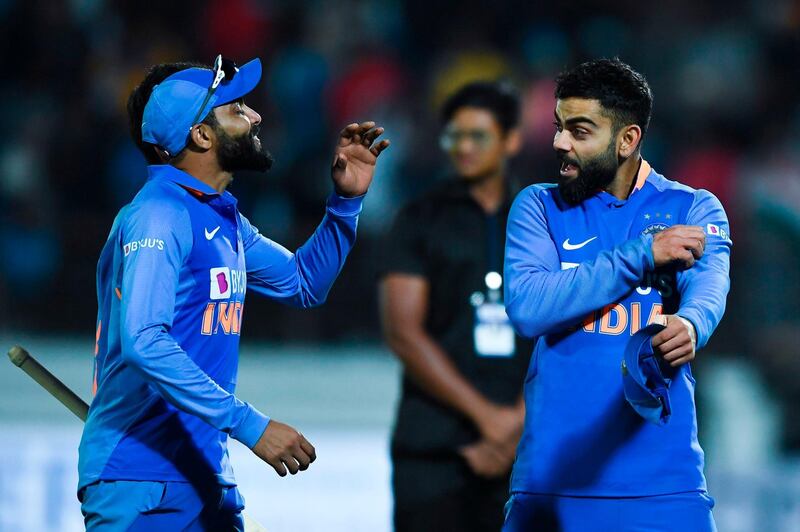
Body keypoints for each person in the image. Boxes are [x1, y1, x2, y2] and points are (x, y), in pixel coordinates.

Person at [77, 55, 389, 530]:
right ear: (201, 135)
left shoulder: (220, 219)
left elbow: (304, 283)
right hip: (143, 482)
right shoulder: (159, 215)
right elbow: (144, 341)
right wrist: (253, 427)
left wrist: (346, 203)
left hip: (203, 477)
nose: (256, 116)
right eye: (237, 109)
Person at [501, 58, 731, 531]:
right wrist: (642, 255)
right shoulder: (538, 207)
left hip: (664, 488)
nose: (560, 142)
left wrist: (691, 325)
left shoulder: (691, 207)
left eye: (580, 131)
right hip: (552, 488)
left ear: (627, 140)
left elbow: (708, 287)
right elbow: (528, 307)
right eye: (558, 126)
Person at [379, 81, 531, 532]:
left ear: (512, 139)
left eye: (478, 136)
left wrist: (517, 422)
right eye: (454, 136)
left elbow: (566, 326)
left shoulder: (544, 219)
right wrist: (491, 420)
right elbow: (403, 333)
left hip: (527, 446)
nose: (463, 147)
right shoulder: (418, 218)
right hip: (433, 446)